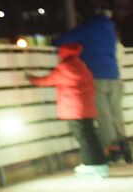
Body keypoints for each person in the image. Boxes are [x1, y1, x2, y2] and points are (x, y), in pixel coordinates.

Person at [55, 10, 131, 164]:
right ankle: (124, 146)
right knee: (116, 113)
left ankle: (112, 149)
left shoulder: (89, 28)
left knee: (103, 115)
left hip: (96, 76)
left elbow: (61, 40)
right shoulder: (110, 29)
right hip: (114, 76)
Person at [30, 42, 108, 177]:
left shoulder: (64, 68)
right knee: (90, 137)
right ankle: (99, 164)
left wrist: (31, 79)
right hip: (87, 107)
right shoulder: (82, 66)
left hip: (74, 109)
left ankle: (93, 165)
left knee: (84, 138)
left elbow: (47, 80)